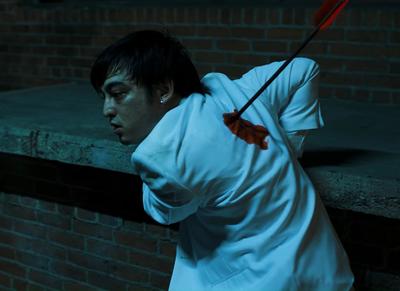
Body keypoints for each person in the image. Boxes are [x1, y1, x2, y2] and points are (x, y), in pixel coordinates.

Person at [90, 29, 355, 291]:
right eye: (104, 98)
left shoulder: (159, 158)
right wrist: (290, 145)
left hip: (259, 282)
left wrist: (287, 147)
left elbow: (167, 212)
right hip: (323, 270)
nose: (107, 110)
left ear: (163, 89)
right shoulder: (238, 91)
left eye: (118, 93)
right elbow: (303, 69)